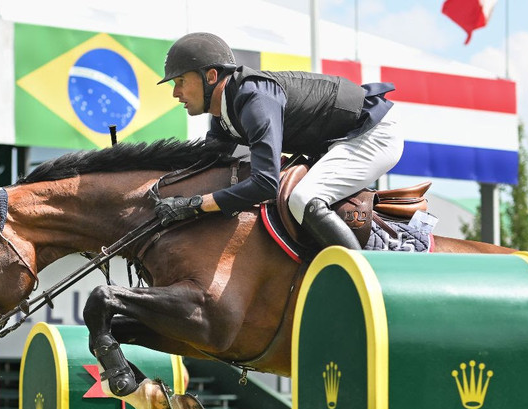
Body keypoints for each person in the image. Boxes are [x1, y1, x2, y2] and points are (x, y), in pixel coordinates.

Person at [154, 32, 404, 250]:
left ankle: (365, 278)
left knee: (302, 198)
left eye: (180, 82)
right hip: (338, 142)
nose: (175, 93)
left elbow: (265, 184)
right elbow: (204, 167)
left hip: (373, 133)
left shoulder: (254, 98)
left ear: (210, 76)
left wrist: (196, 205)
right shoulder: (223, 116)